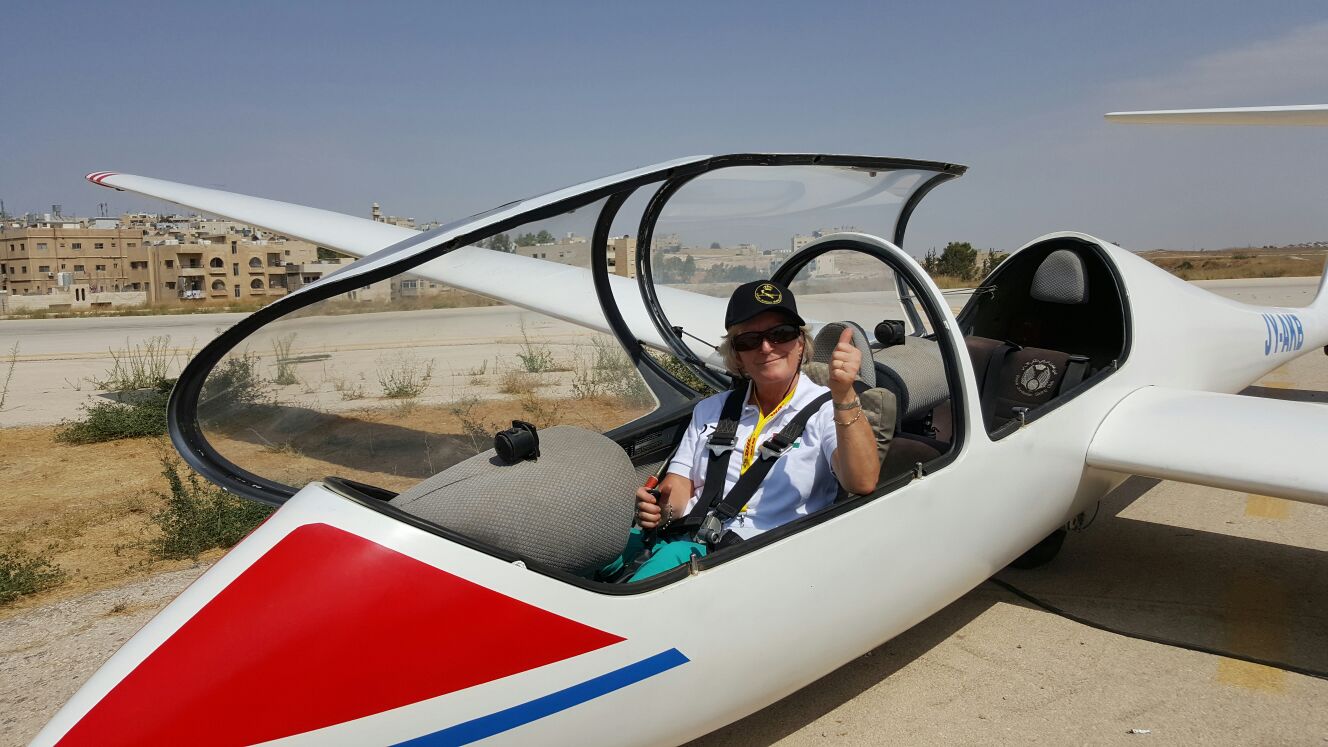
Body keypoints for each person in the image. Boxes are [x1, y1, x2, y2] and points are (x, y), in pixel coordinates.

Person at [627, 279, 879, 577]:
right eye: (749, 340)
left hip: (757, 559)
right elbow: (681, 487)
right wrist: (660, 509)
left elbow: (862, 482)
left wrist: (845, 394)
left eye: (781, 334)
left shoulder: (827, 411)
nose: (766, 347)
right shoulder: (711, 409)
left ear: (801, 344)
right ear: (737, 355)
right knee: (603, 546)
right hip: (689, 537)